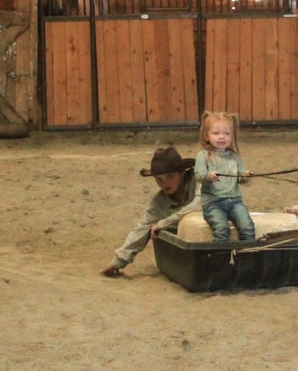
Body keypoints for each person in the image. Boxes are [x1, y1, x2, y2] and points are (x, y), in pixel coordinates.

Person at [101, 145, 201, 278]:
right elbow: (142, 227)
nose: (164, 183)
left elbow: (199, 205)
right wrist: (117, 262)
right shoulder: (160, 202)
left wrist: (163, 223)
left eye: (170, 176)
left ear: (182, 172)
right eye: (159, 179)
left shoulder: (199, 180)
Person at [195, 111, 256, 242]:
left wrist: (246, 176)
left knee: (248, 227)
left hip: (235, 201)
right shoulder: (203, 155)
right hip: (213, 203)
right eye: (216, 133)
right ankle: (219, 259)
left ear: (232, 136)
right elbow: (199, 176)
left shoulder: (235, 157)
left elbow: (240, 179)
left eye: (226, 134)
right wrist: (208, 177)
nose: (222, 137)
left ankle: (248, 256)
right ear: (206, 136)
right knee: (221, 229)